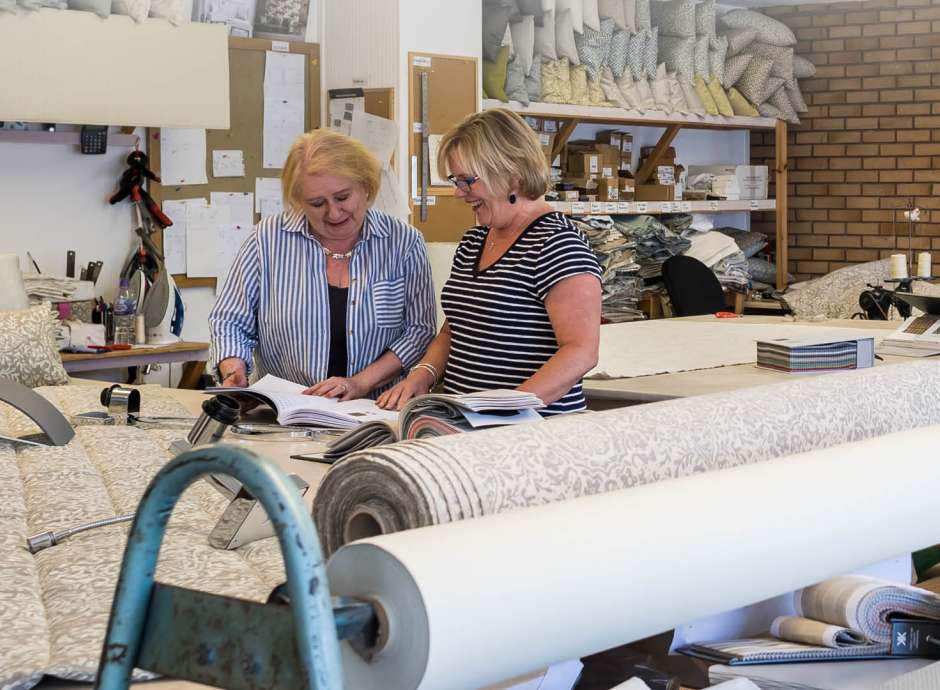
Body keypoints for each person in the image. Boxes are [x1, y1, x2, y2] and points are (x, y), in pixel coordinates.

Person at [377, 108, 602, 414]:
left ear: (511, 174)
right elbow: (456, 328)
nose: (460, 193)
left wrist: (507, 410)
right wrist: (423, 373)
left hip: (529, 431)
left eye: (467, 181)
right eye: (456, 181)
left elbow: (580, 352)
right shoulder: (475, 240)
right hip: (470, 423)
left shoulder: (558, 244)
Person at [209, 129, 436, 400]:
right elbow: (230, 320)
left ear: (365, 186)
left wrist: (359, 383)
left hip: (375, 410)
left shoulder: (403, 243)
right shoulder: (267, 240)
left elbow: (419, 331)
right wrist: (234, 370)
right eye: (317, 203)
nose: (333, 212)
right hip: (287, 413)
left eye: (342, 197)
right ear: (298, 201)